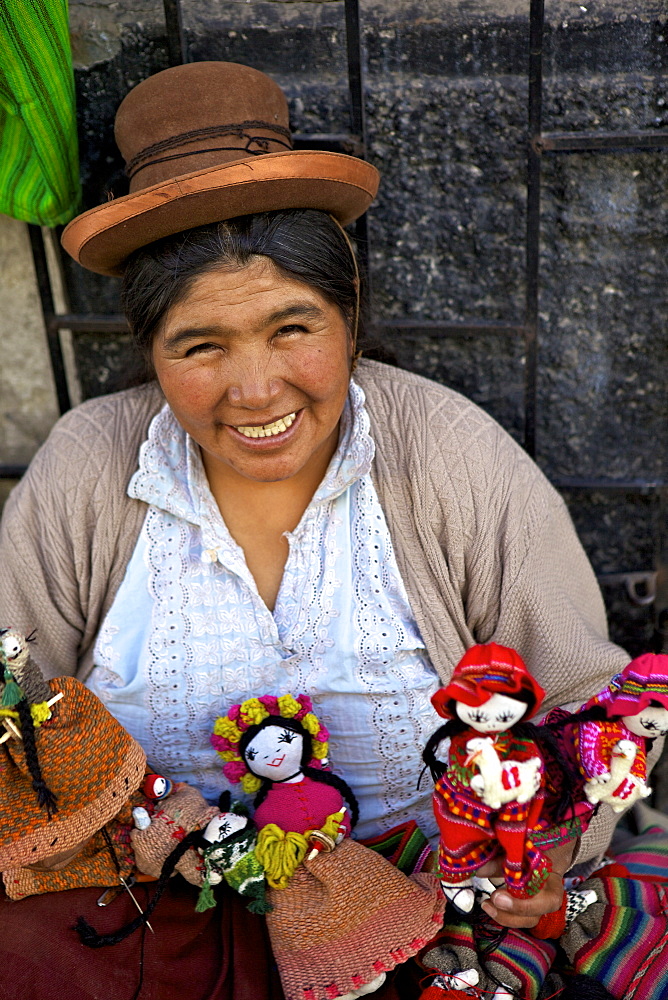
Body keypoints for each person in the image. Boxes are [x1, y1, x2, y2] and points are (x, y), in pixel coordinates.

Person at [0, 59, 641, 1000]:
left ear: (349, 314)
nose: (256, 391)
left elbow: (585, 699)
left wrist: (531, 865)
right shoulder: (89, 466)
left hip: (427, 930)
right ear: (149, 352)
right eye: (201, 346)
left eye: (292, 327)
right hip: (143, 935)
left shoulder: (449, 454)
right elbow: (12, 704)